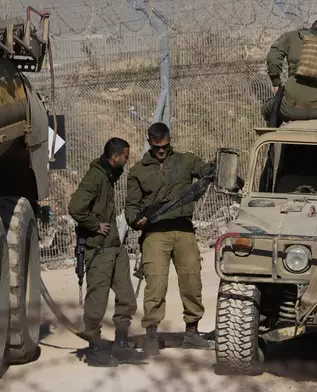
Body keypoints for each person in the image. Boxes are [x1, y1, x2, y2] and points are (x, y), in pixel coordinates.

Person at [125, 122, 214, 355]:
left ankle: (192, 332)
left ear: (169, 140)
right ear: (150, 143)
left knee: (191, 280)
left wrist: (215, 169)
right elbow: (131, 207)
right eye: (157, 147)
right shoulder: (138, 171)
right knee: (155, 284)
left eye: (165, 146)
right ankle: (152, 335)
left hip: (183, 230)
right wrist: (136, 220)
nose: (161, 151)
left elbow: (208, 171)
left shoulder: (185, 160)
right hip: (155, 233)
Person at [68, 137, 144, 367]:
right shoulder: (95, 177)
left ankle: (121, 344)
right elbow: (75, 208)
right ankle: (94, 351)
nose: (126, 162)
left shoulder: (108, 176)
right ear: (115, 158)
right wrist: (95, 225)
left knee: (127, 300)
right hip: (99, 250)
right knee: (97, 302)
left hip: (114, 248)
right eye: (125, 158)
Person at [261, 18, 317, 126]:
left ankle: (272, 138)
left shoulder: (292, 37)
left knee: (267, 109)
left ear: (312, 27)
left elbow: (273, 58)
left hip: (289, 108)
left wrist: (276, 82)